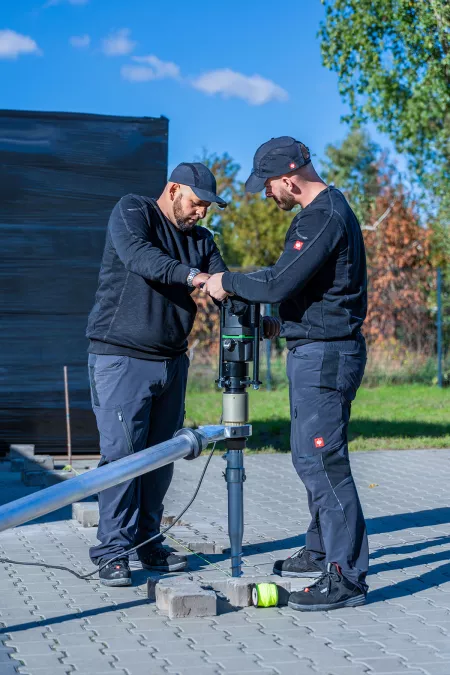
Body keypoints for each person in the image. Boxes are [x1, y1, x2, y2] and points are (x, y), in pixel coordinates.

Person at [204, 136, 369, 611]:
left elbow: (279, 280)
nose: (265, 195)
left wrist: (225, 281)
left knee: (322, 461)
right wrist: (287, 321)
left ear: (288, 178)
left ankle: (346, 575)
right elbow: (311, 289)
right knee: (307, 455)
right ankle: (320, 549)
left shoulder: (323, 215)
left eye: (267, 186)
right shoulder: (324, 213)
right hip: (315, 347)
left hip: (326, 356)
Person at [86, 162, 230, 586]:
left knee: (161, 458)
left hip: (172, 360)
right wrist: (195, 276)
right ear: (173, 190)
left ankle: (147, 542)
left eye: (207, 207)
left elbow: (222, 284)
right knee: (122, 458)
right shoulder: (134, 212)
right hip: (121, 357)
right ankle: (112, 550)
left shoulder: (202, 240)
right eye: (197, 203)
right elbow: (141, 258)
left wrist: (259, 310)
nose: (201, 213)